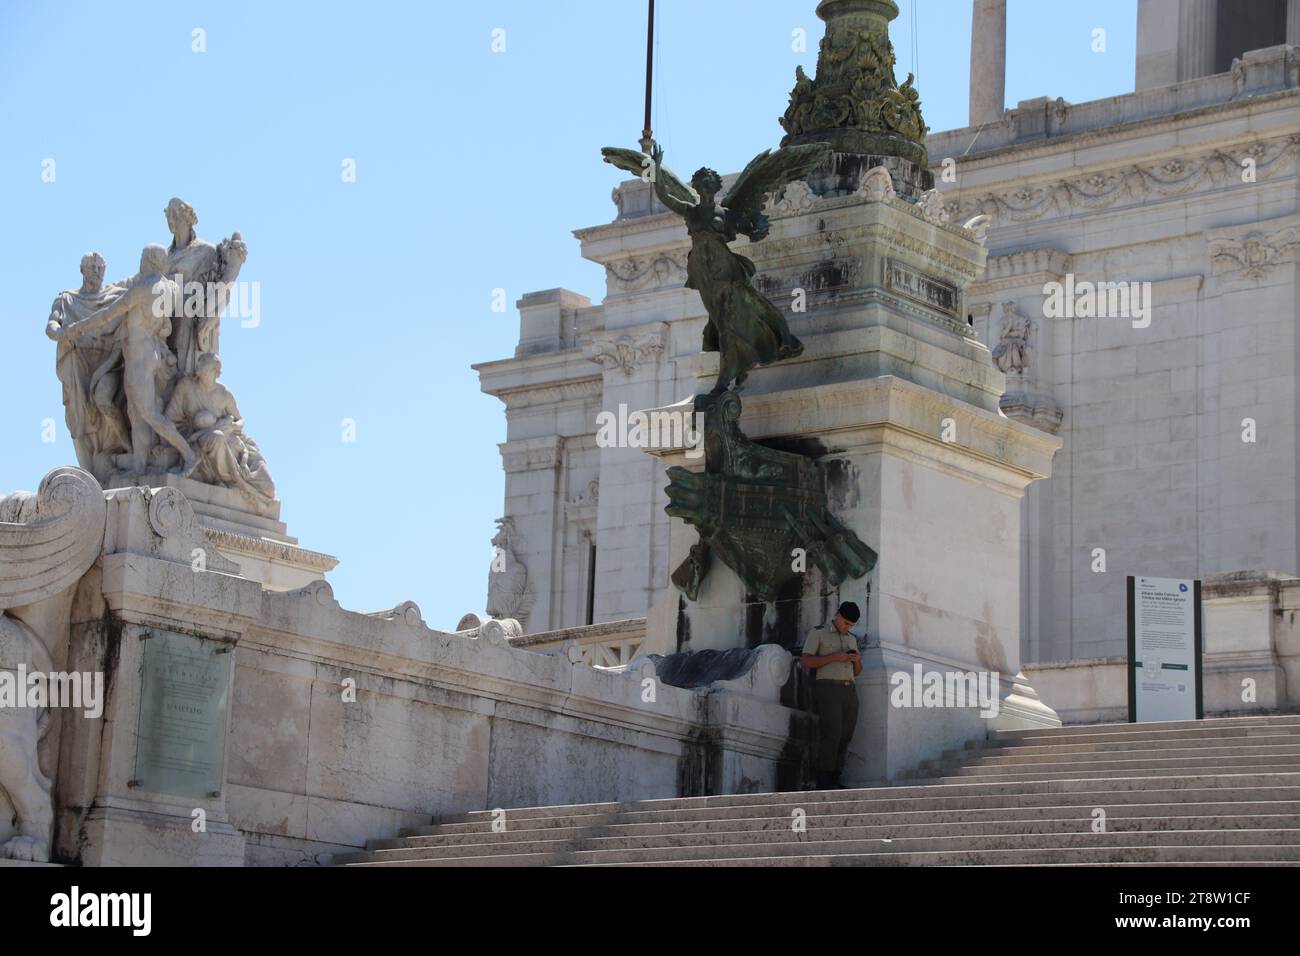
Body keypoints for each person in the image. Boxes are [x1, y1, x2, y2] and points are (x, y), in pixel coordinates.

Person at [800, 601, 864, 789]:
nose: (848, 627)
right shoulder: (818, 632)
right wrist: (835, 657)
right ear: (837, 615)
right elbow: (806, 660)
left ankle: (835, 777)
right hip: (828, 688)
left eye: (851, 625)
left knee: (846, 735)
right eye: (846, 623)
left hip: (849, 688)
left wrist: (856, 660)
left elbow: (858, 671)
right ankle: (824, 779)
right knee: (832, 733)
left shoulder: (852, 639)